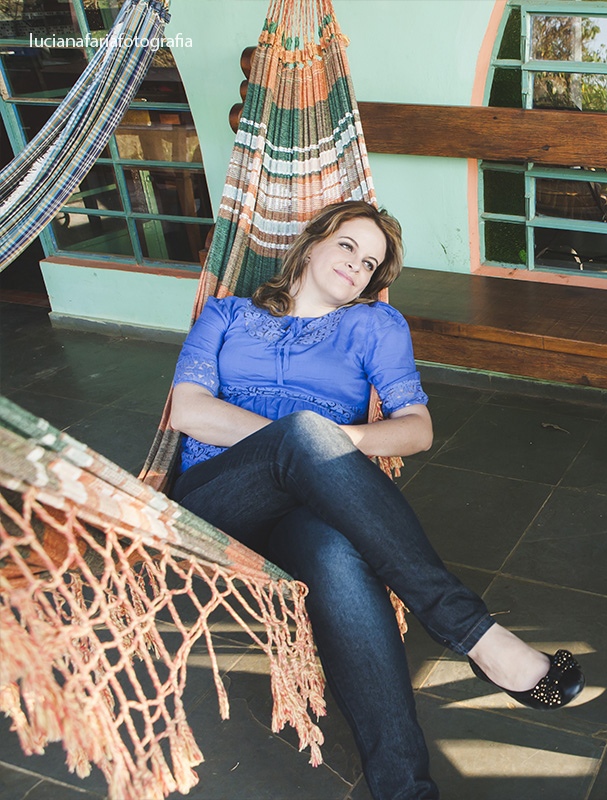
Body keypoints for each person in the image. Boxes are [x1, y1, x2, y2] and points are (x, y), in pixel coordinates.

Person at [168, 200, 585, 800]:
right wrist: (306, 439)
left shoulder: (375, 326)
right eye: (347, 247)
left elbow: (417, 428)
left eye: (369, 264)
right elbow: (189, 410)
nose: (356, 267)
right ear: (312, 244)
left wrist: (338, 445)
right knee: (306, 431)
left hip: (311, 511)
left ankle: (405, 789)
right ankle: (475, 636)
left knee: (335, 552)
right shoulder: (226, 314)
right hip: (220, 500)